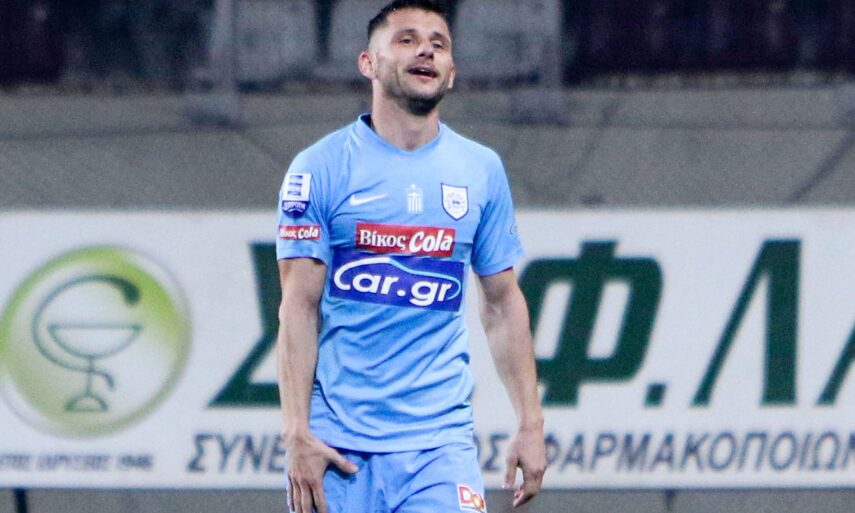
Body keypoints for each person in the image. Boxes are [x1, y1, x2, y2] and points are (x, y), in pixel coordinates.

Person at [275, 1, 546, 512]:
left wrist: (531, 424)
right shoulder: (318, 169)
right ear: (368, 63)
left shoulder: (480, 170)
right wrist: (297, 434)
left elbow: (502, 303)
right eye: (406, 39)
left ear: (451, 72)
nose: (426, 50)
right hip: (338, 450)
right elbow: (298, 307)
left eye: (438, 44)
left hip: (440, 450)